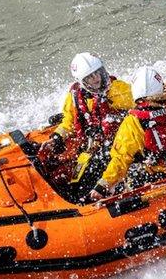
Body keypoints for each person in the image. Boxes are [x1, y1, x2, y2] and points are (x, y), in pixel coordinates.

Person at [89, 66, 166, 200]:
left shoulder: (132, 122)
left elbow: (121, 159)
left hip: (154, 176)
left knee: (132, 171)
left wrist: (103, 185)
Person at [42, 52, 134, 196]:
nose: (96, 78)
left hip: (118, 142)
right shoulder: (75, 97)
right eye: (90, 77)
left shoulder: (118, 90)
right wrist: (57, 137)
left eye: (97, 73)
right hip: (92, 147)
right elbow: (69, 121)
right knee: (77, 185)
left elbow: (138, 105)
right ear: (82, 81)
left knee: (101, 174)